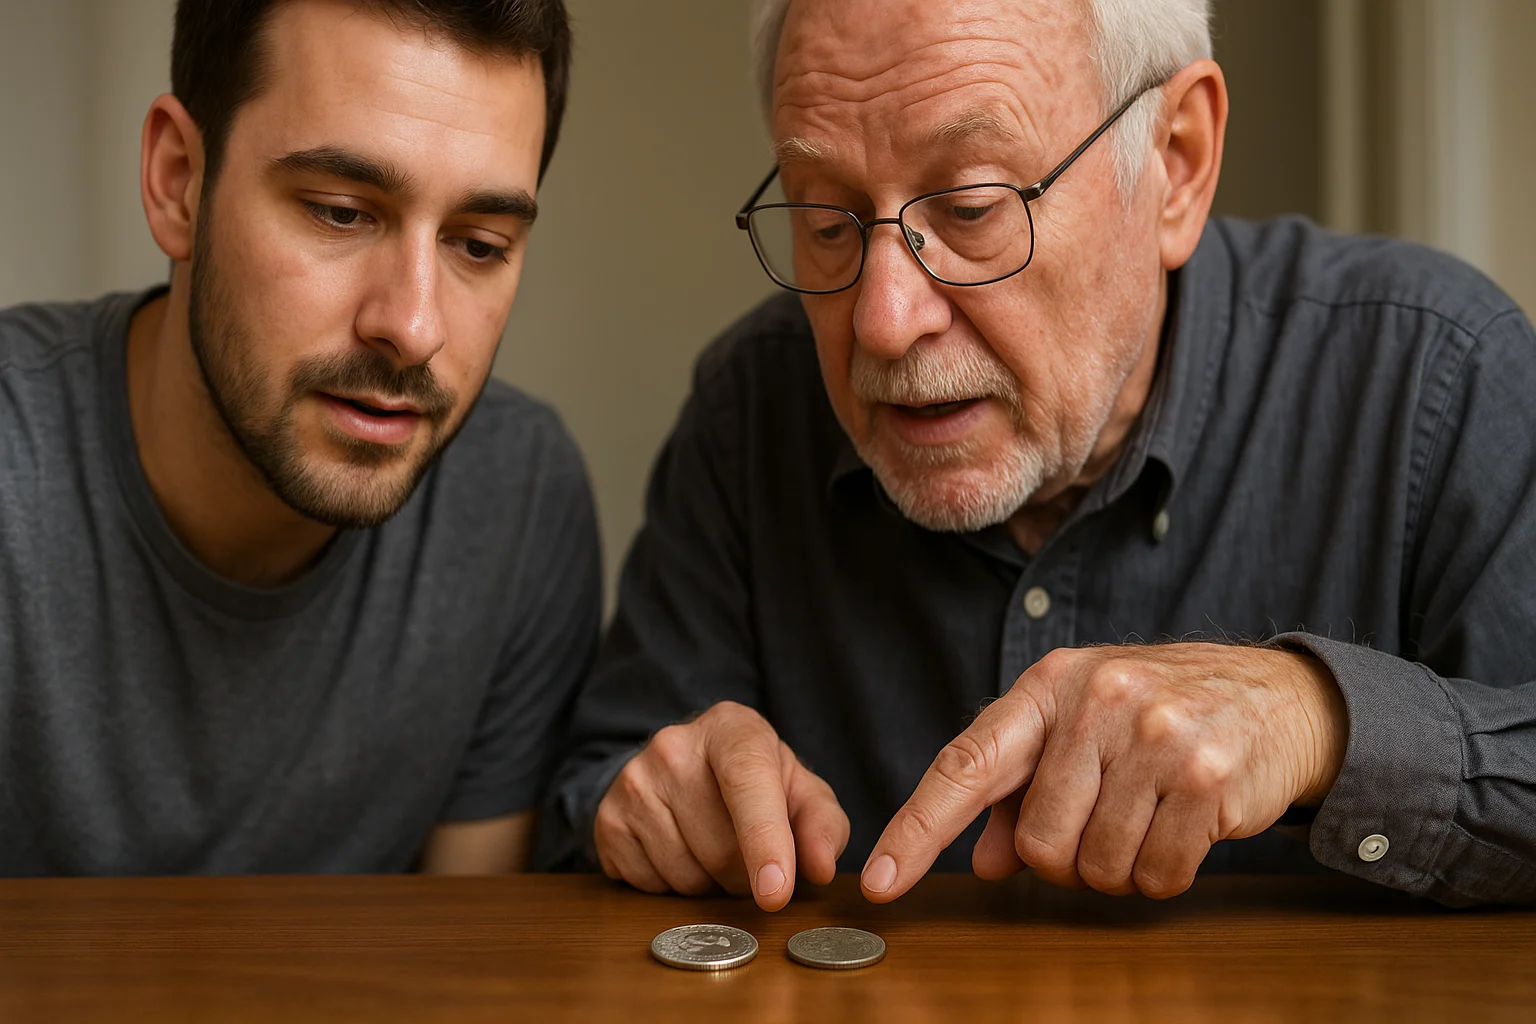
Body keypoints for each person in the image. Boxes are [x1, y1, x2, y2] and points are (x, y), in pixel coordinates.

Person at [540, 0, 1536, 909]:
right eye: (829, 220)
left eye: (971, 209)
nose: (882, 323)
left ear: (1177, 161)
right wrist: (655, 803)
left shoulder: (1436, 374)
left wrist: (1315, 720)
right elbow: (595, 795)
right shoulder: (749, 406)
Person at [0, 0, 598, 875]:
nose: (415, 325)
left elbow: (464, 977)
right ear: (178, 181)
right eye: (339, 213)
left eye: (477, 243)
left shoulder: (518, 499)